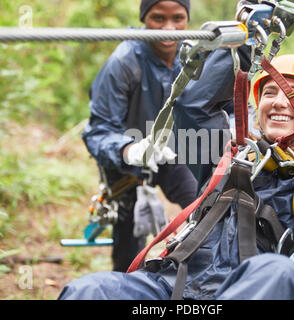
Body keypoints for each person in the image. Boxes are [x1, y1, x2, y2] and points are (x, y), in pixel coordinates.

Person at [59, 0, 294, 299]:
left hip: (246, 290)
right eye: (269, 92)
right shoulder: (228, 156)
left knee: (281, 272)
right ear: (257, 105)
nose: (280, 101)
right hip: (171, 287)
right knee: (91, 290)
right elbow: (194, 109)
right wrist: (246, 36)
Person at [80, 0, 198, 272]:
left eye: (178, 18)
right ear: (144, 18)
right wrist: (130, 151)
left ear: (187, 18)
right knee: (129, 249)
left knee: (203, 208)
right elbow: (98, 131)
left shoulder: (194, 55)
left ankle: (195, 280)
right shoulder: (124, 61)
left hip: (173, 153)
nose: (169, 28)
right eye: (158, 18)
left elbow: (224, 108)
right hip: (125, 162)